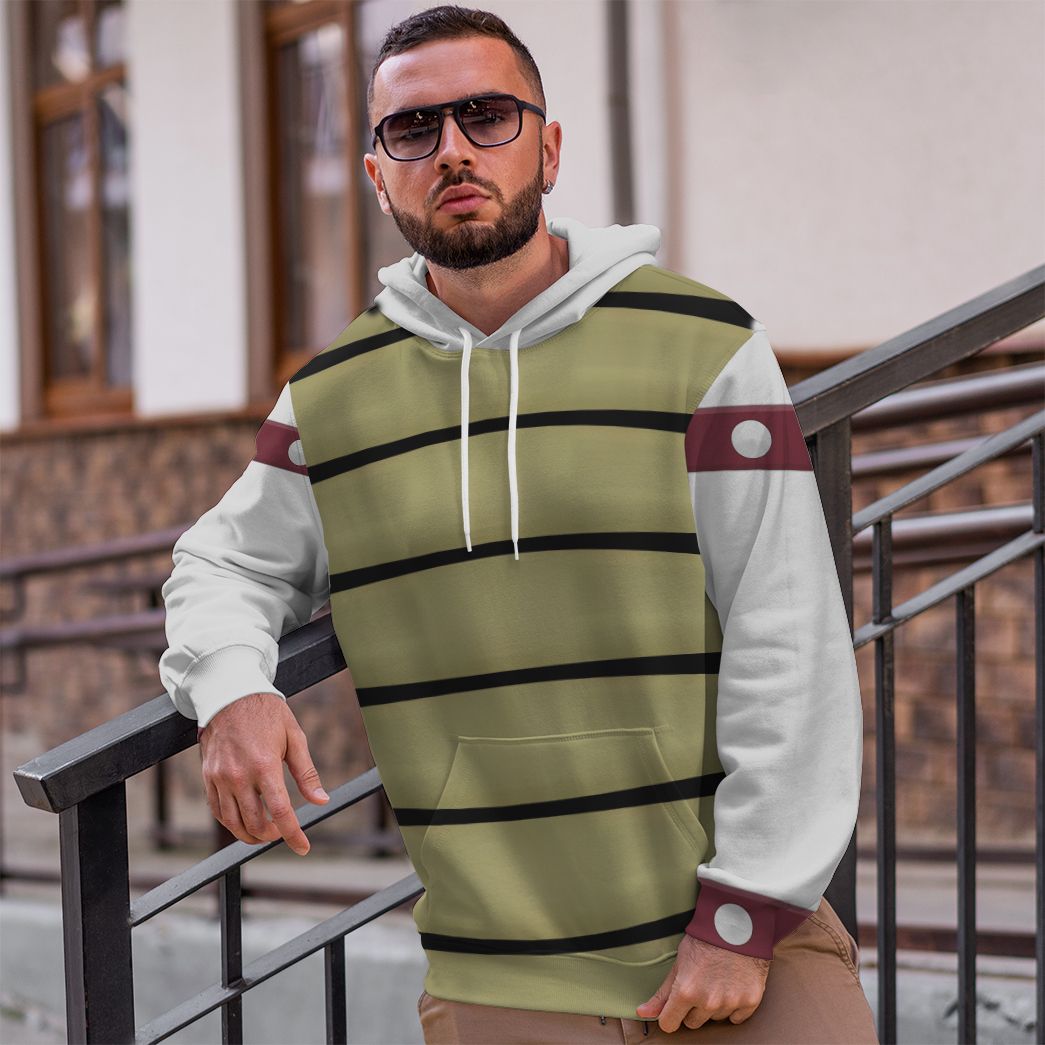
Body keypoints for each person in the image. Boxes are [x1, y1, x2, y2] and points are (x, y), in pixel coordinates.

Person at [159, 5, 879, 1042]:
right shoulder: (330, 401)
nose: (452, 149)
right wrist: (233, 689)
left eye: (487, 115)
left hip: (740, 945)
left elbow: (790, 634)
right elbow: (220, 561)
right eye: (413, 129)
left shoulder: (704, 346)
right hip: (497, 976)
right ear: (377, 175)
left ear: (547, 147)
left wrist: (745, 909)